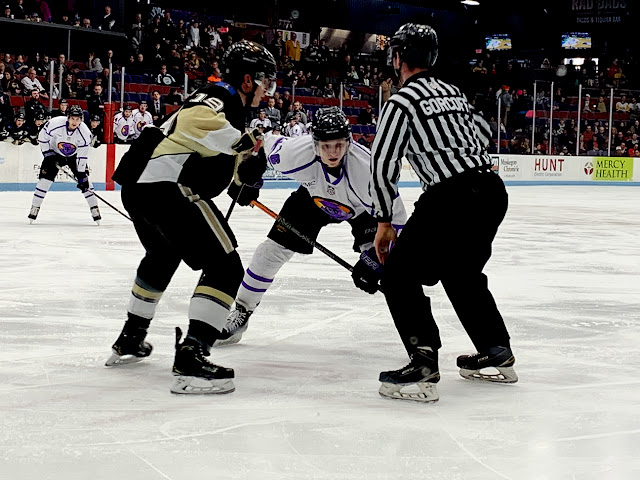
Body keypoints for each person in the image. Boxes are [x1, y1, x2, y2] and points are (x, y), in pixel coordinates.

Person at [105, 40, 277, 395]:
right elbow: (195, 121)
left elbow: (208, 149)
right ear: (248, 79)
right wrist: (242, 144)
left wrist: (243, 179)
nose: (267, 91)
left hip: (141, 188)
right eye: (265, 82)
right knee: (226, 267)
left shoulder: (226, 101)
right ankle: (193, 355)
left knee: (162, 256)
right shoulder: (221, 93)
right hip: (167, 186)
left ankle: (130, 337)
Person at [369, 23, 517, 404]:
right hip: (491, 191)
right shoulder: (454, 92)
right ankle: (496, 348)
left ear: (398, 56)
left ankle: (422, 360)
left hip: (451, 196)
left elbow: (383, 163)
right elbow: (482, 134)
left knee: (398, 273)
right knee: (462, 272)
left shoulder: (402, 101)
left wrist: (385, 220)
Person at [214, 107, 407, 345]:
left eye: (339, 144)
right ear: (314, 144)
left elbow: (397, 220)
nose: (333, 152)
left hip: (364, 211)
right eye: (326, 146)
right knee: (269, 252)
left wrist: (374, 261)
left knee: (386, 264)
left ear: (349, 141)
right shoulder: (296, 153)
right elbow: (261, 143)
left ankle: (416, 337)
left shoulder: (367, 171)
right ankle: (242, 310)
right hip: (312, 199)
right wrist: (247, 178)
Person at [27, 105, 100, 225]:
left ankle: (94, 209)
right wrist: (48, 154)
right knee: (44, 180)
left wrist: (81, 174)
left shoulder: (85, 133)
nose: (75, 122)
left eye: (77, 119)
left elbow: (82, 155)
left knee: (86, 182)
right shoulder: (55, 123)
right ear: (68, 118)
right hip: (55, 153)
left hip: (74, 157)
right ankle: (35, 207)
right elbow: (42, 138)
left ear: (81, 120)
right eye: (72, 118)